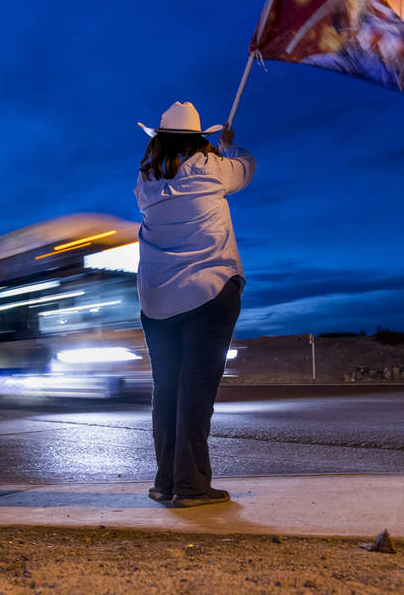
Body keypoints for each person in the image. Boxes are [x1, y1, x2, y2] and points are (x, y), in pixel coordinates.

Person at [134, 101, 256, 508]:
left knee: (166, 389)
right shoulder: (212, 169)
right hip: (209, 292)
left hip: (156, 302)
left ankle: (165, 481)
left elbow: (178, 174)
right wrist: (227, 148)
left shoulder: (145, 184)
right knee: (196, 391)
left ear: (160, 141)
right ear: (198, 138)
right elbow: (248, 168)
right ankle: (191, 486)